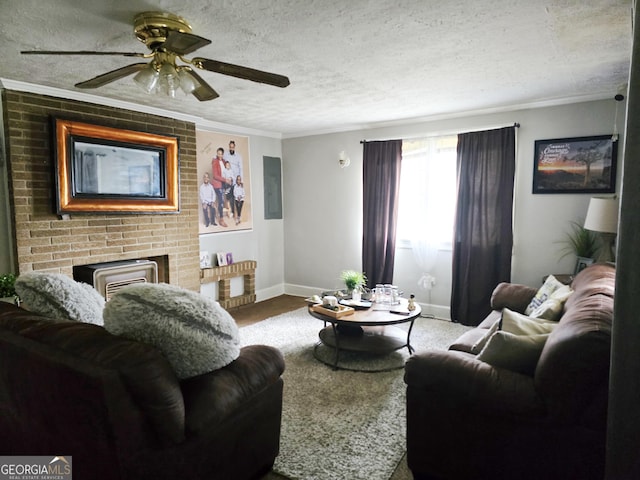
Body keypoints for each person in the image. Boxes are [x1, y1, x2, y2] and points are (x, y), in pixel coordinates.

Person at [211, 148, 228, 227]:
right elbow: (215, 176)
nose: (219, 155)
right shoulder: (215, 161)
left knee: (226, 197)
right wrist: (225, 179)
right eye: (218, 153)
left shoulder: (224, 161)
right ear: (216, 154)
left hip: (223, 184)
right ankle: (221, 219)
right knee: (221, 201)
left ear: (223, 154)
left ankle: (228, 212)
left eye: (221, 154)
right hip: (217, 184)